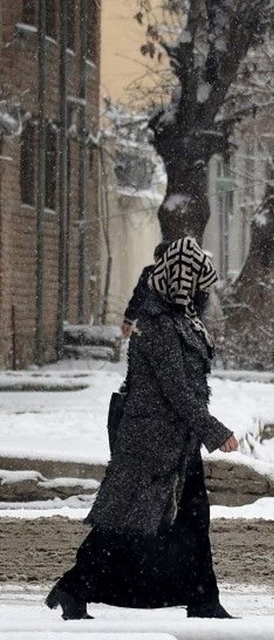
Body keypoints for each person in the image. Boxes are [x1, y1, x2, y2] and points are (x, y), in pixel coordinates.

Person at [47, 237, 240, 621]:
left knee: (191, 521)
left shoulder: (181, 320)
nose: (207, 292)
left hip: (177, 443)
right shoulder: (158, 327)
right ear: (186, 284)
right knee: (124, 528)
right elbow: (177, 391)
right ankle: (73, 587)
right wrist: (214, 431)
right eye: (202, 283)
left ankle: (204, 600)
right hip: (151, 445)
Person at [121, 242, 210, 338]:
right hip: (180, 328)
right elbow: (200, 299)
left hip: (154, 326)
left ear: (156, 258)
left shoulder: (150, 273)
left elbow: (139, 296)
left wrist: (129, 319)